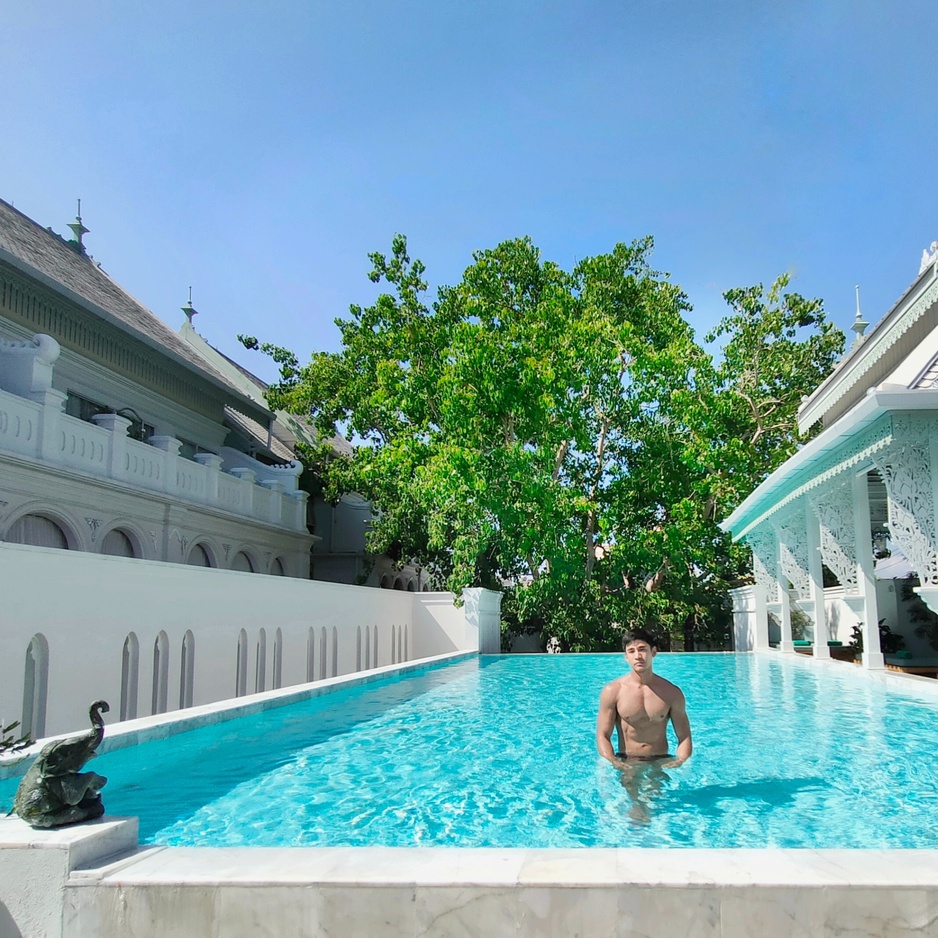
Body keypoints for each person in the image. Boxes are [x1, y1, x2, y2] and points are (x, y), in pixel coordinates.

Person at [596, 628, 692, 769]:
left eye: (642, 649)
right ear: (626, 657)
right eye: (632, 651)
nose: (638, 656)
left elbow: (684, 736)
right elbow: (603, 735)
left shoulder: (671, 693)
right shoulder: (613, 691)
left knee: (657, 791)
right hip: (627, 760)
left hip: (660, 760)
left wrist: (679, 761)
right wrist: (613, 761)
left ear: (653, 652)